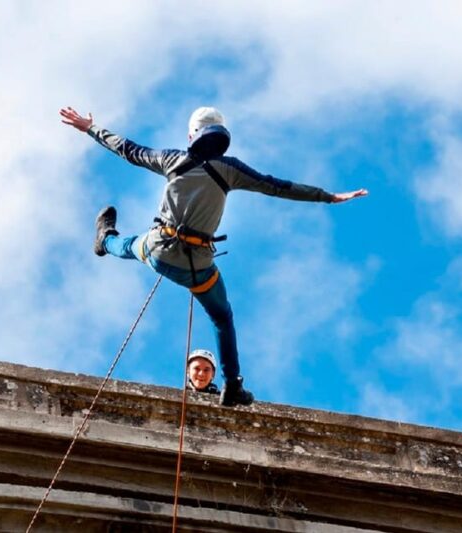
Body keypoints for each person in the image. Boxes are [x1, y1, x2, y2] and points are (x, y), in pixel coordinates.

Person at [59, 105, 368, 407]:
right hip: (197, 267)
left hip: (159, 249)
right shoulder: (230, 169)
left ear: (192, 135)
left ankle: (105, 238)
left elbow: (128, 149)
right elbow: (277, 186)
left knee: (127, 246)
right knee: (222, 318)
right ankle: (232, 384)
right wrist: (328, 196)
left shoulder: (171, 159)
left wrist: (90, 128)